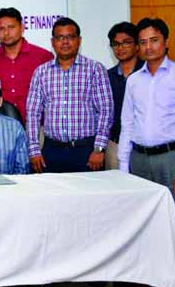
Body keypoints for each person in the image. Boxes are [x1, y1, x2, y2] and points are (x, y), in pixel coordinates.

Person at [118, 17, 175, 223]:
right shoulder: (134, 81)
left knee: (173, 221)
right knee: (142, 221)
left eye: (154, 40)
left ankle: (174, 257)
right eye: (143, 42)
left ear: (166, 42)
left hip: (172, 159)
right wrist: (123, 166)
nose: (149, 47)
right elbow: (127, 124)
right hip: (139, 160)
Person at [27, 17, 113, 173]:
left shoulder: (95, 69)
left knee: (89, 197)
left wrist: (99, 149)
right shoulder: (41, 72)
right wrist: (34, 150)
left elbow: (106, 110)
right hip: (51, 151)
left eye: (70, 37)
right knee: (53, 196)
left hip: (87, 151)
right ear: (53, 42)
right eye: (60, 38)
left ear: (79, 40)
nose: (65, 42)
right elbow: (33, 113)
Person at [0, 7, 53, 124]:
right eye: (1, 29)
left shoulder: (43, 57)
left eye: (11, 27)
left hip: (37, 127)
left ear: (21, 27)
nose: (6, 33)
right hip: (3, 127)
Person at [105, 22, 144, 170]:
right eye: (115, 44)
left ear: (137, 45)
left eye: (126, 43)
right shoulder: (106, 76)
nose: (120, 48)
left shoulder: (148, 72)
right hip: (115, 145)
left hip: (142, 147)